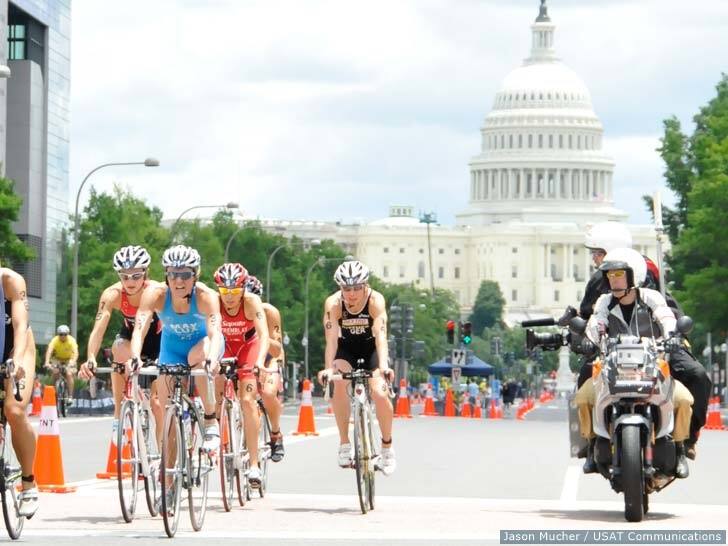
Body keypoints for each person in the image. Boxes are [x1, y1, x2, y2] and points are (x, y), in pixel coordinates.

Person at [575, 248, 702, 478]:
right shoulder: (604, 301)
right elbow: (597, 322)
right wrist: (589, 340)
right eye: (610, 275)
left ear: (634, 276)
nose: (613, 280)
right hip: (613, 369)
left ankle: (681, 448)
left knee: (684, 400)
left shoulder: (651, 298)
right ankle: (593, 445)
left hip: (651, 368)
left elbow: (666, 318)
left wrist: (673, 336)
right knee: (582, 398)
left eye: (619, 275)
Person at [131, 245, 222, 453]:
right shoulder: (156, 294)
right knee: (167, 416)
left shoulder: (206, 296)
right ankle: (170, 478)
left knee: (197, 357)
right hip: (171, 350)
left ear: (195, 275)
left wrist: (213, 359)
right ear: (166, 275)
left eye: (185, 275)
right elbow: (140, 327)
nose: (178, 281)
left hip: (203, 346)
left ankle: (210, 420)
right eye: (173, 274)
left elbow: (215, 332)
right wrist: (135, 356)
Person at [317, 260, 396, 475]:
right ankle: (344, 444)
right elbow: (332, 340)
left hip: (371, 349)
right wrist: (328, 369)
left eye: (356, 288)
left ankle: (387, 448)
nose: (351, 294)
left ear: (365, 286)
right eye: (346, 289)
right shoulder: (333, 304)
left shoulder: (375, 301)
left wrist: (383, 366)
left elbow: (381, 336)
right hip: (347, 350)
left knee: (380, 393)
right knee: (339, 384)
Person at [79, 245, 163, 432]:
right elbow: (98, 328)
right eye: (124, 276)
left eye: (136, 276)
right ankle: (119, 411)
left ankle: (161, 457)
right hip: (130, 335)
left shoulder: (157, 291)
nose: (130, 281)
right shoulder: (112, 294)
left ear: (146, 273)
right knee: (117, 350)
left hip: (158, 340)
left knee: (158, 404)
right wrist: (91, 357)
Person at [213, 263, 270, 487]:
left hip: (248, 346)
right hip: (224, 345)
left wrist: (258, 362)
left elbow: (263, 335)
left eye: (235, 291)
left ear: (243, 288)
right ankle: (215, 431)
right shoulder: (213, 302)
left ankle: (254, 464)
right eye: (225, 292)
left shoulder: (251, 302)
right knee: (216, 386)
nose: (229, 297)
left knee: (247, 400)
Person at [1, 264, 39, 517]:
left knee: (13, 410)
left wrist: (15, 363)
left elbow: (20, 325)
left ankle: (28, 483)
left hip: (16, 350)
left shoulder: (10, 281)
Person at [245, 275, 285, 462]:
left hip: (270, 358)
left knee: (268, 393)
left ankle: (276, 433)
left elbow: (277, 348)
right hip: (245, 358)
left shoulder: (269, 312)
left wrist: (259, 337)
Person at [44, 324, 78, 401]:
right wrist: (47, 362)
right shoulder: (55, 340)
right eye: (61, 334)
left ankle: (70, 396)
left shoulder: (71, 340)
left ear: (68, 334)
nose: (63, 336)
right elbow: (49, 351)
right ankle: (55, 392)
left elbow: (75, 353)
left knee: (69, 374)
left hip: (69, 359)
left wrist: (72, 363)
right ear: (58, 335)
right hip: (57, 358)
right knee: (55, 372)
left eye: (65, 334)